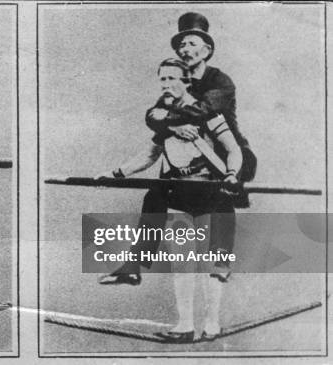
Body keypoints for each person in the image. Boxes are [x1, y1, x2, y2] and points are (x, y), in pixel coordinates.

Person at [99, 12, 254, 286]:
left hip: (223, 155)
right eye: (181, 45)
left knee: (222, 196)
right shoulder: (174, 85)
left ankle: (221, 260)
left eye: (192, 44)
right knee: (156, 195)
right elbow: (152, 119)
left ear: (207, 50)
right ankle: (134, 266)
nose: (185, 49)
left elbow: (202, 111)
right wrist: (120, 171)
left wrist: (167, 120)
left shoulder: (220, 82)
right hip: (185, 160)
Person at [98, 58, 242, 343]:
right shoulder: (166, 119)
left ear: (187, 81)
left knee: (214, 263)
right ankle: (185, 326)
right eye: (161, 79)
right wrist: (117, 173)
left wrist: (232, 173)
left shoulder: (209, 114)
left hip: (213, 193)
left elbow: (233, 149)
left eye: (171, 78)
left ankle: (212, 323)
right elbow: (150, 155)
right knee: (183, 262)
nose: (165, 84)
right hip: (181, 193)